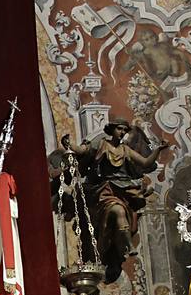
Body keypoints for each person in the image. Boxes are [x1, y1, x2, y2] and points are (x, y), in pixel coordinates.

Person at [61, 120, 170, 283]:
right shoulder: (101, 144)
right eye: (119, 129)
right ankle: (128, 246)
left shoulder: (125, 149)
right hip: (106, 190)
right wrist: (70, 144)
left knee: (121, 211)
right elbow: (83, 151)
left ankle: (125, 244)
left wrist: (159, 149)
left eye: (124, 130)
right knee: (117, 210)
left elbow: (146, 163)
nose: (122, 132)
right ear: (112, 130)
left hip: (124, 190)